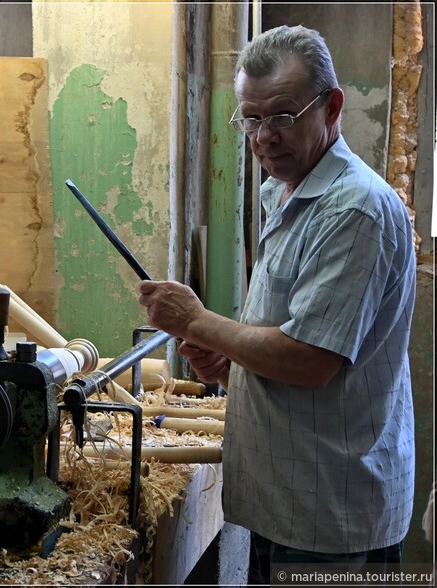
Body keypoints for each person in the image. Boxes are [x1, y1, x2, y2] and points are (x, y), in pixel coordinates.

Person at [138, 25, 416, 584]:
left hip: (330, 512)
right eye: (252, 118)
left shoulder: (353, 210)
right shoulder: (285, 189)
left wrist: (198, 320)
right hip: (285, 497)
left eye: (283, 115)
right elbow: (294, 326)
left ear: (332, 106)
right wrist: (229, 353)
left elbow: (311, 360)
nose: (264, 136)